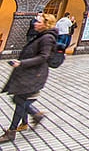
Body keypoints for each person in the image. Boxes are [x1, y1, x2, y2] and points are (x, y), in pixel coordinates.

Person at [0, 13, 57, 143]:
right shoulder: (41, 36)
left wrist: (22, 63)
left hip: (35, 74)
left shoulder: (47, 38)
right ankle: (31, 118)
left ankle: (12, 131)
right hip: (30, 72)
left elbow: (44, 57)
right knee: (19, 98)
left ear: (46, 24)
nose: (35, 24)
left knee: (20, 99)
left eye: (38, 22)